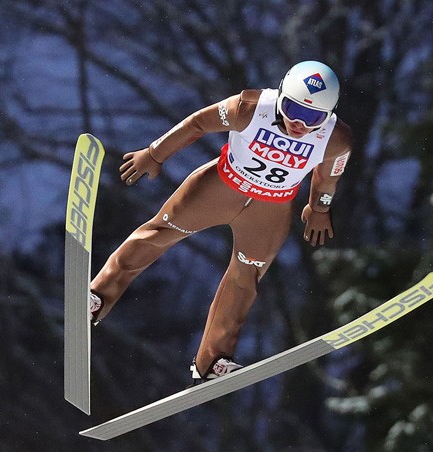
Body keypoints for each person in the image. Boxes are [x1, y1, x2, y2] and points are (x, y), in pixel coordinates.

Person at [89, 61, 353, 383]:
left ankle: (213, 360)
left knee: (245, 278)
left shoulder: (336, 140)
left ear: (329, 115)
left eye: (313, 117)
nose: (299, 123)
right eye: (292, 109)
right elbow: (198, 123)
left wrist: (320, 208)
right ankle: (98, 296)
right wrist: (155, 153)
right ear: (281, 96)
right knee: (159, 233)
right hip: (219, 188)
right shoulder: (251, 108)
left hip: (269, 210)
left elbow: (328, 178)